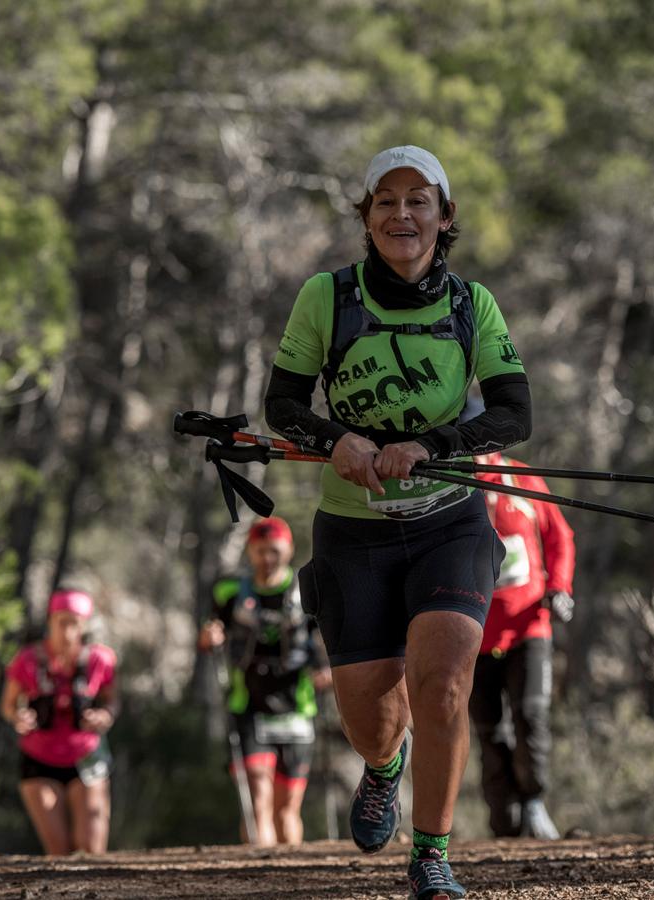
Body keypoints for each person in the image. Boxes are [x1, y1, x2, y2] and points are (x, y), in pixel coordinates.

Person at [263, 145, 532, 899]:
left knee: (444, 684)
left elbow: (515, 412)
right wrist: (333, 441)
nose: (401, 214)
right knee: (370, 717)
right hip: (354, 536)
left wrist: (432, 445)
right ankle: (384, 769)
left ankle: (432, 855)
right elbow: (281, 405)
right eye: (386, 200)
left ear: (445, 218)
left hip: (450, 522)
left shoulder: (471, 306)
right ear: (367, 217)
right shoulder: (328, 296)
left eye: (420, 201)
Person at [198, 515, 332, 846]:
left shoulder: (308, 590)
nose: (267, 558)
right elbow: (210, 633)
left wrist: (328, 672)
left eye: (274, 550)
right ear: (250, 551)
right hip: (249, 702)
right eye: (260, 551)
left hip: (296, 705)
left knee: (286, 808)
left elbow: (325, 639)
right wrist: (209, 637)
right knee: (258, 799)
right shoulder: (230, 591)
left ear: (288, 549)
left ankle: (292, 881)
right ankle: (260, 878)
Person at [467, 438, 575, 841]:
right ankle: (503, 821)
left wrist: (561, 587)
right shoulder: (450, 485)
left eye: (480, 446)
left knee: (530, 717)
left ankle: (533, 801)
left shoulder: (522, 478)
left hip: (530, 627)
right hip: (474, 637)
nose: (476, 455)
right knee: (489, 730)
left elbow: (560, 537)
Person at [0, 588, 118, 855]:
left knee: (90, 851)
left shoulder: (100, 659)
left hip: (86, 757)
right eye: (61, 622)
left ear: (84, 625)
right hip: (39, 759)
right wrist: (19, 717)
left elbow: (111, 701)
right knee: (60, 852)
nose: (67, 631)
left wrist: (104, 715)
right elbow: (8, 705)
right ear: (50, 621)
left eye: (74, 623)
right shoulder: (27, 660)